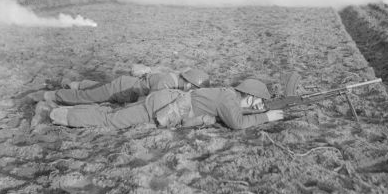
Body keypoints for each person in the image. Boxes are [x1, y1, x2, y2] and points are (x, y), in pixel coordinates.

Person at [49, 78, 284, 130]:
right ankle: (59, 115)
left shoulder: (229, 95)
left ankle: (65, 106)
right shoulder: (228, 99)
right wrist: (267, 117)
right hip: (162, 105)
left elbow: (235, 111)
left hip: (166, 99)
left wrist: (260, 110)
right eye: (258, 101)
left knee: (113, 111)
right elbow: (237, 123)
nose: (258, 105)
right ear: (251, 96)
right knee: (112, 120)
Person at [31, 69, 210, 106]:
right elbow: (150, 102)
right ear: (188, 83)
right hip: (121, 90)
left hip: (124, 84)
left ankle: (69, 83)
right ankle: (48, 95)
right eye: (192, 88)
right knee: (86, 97)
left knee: (95, 88)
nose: (191, 91)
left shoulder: (173, 77)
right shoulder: (167, 83)